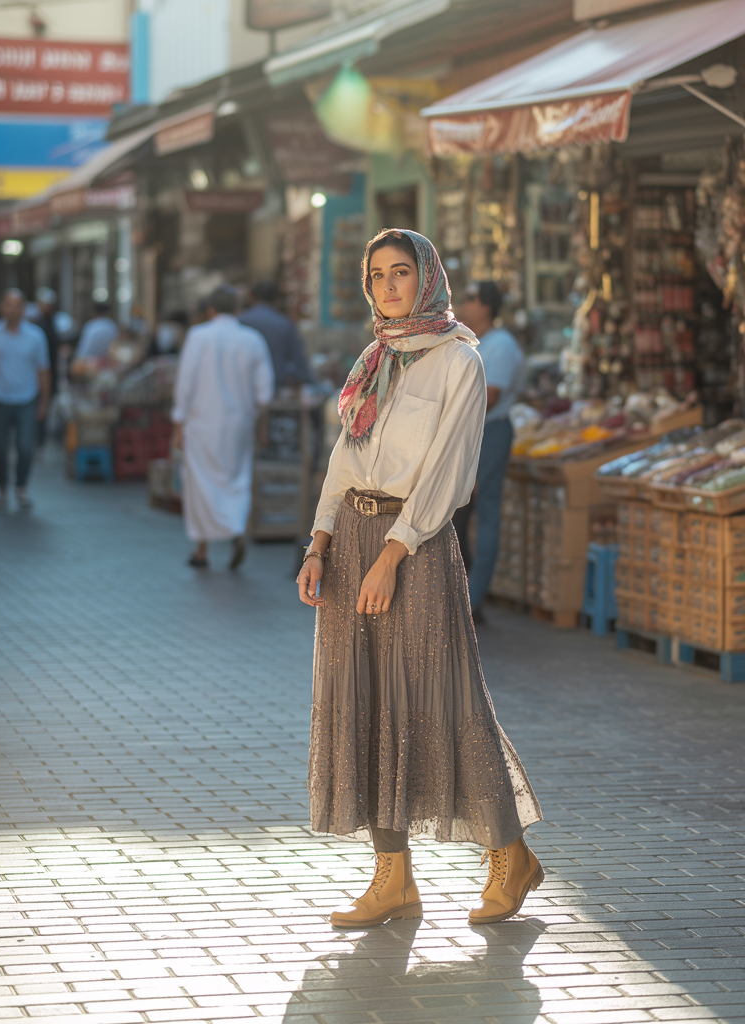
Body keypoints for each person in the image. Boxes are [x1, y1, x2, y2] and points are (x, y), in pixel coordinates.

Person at [296, 229, 543, 929]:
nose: (389, 285)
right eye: (377, 275)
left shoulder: (458, 360)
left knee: (446, 698)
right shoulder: (375, 358)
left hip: (418, 545)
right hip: (352, 545)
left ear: (428, 277)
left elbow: (448, 474)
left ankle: (510, 855)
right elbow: (345, 460)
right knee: (366, 703)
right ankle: (393, 878)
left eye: (401, 272)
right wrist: (319, 543)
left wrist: (393, 552)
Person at [171, 286, 274, 570]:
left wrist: (178, 423)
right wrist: (260, 425)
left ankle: (202, 550)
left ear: (210, 310)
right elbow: (264, 393)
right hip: (239, 424)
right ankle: (236, 529)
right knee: (237, 479)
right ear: (238, 309)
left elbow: (185, 384)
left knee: (200, 484)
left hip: (201, 424)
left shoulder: (197, 336)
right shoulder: (253, 340)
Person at [454, 280, 526, 621]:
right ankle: (465, 595)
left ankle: (474, 597)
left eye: (470, 298)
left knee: (484, 514)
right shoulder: (469, 340)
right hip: (468, 434)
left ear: (486, 306)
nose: (464, 304)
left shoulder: (500, 345)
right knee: (461, 514)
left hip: (489, 433)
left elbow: (490, 396)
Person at [0, 289, 50, 510]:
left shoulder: (36, 335)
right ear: (2, 307)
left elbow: (43, 370)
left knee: (25, 448)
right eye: (8, 305)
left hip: (27, 398)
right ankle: (2, 487)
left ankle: (21, 486)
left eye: (17, 305)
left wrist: (44, 401)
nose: (13, 310)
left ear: (24, 308)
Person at [239, 280, 313, 393]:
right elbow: (299, 364)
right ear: (277, 299)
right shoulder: (285, 324)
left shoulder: (241, 321)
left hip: (245, 386)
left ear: (251, 296)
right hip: (277, 387)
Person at [31, 287, 60, 447]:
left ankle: (39, 439)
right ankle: (37, 439)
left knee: (44, 406)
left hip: (49, 371)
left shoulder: (50, 321)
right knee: (39, 406)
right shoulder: (39, 324)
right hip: (41, 373)